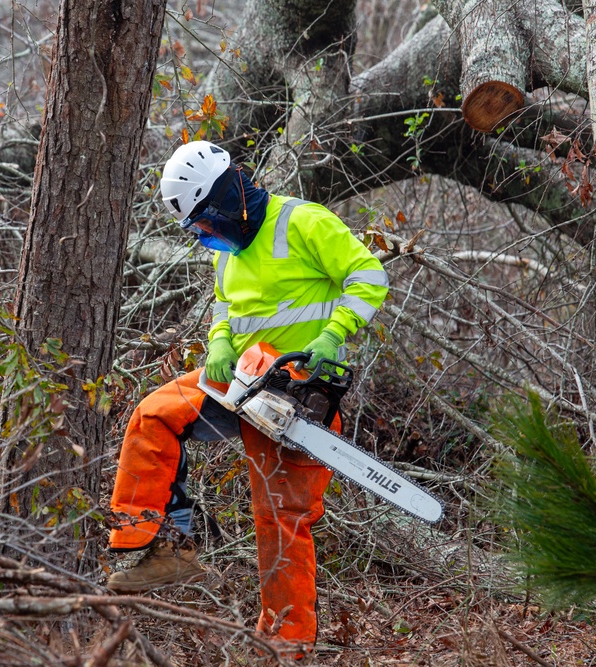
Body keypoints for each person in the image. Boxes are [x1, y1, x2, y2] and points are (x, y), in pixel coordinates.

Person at [106, 140, 389, 651]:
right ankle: (167, 545)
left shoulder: (303, 222)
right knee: (154, 415)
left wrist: (334, 332)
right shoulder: (227, 253)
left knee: (279, 518)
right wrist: (217, 342)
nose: (206, 237)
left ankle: (287, 642)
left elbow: (369, 274)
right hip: (243, 380)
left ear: (225, 202)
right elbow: (223, 306)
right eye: (198, 231)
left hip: (299, 391)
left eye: (206, 225)